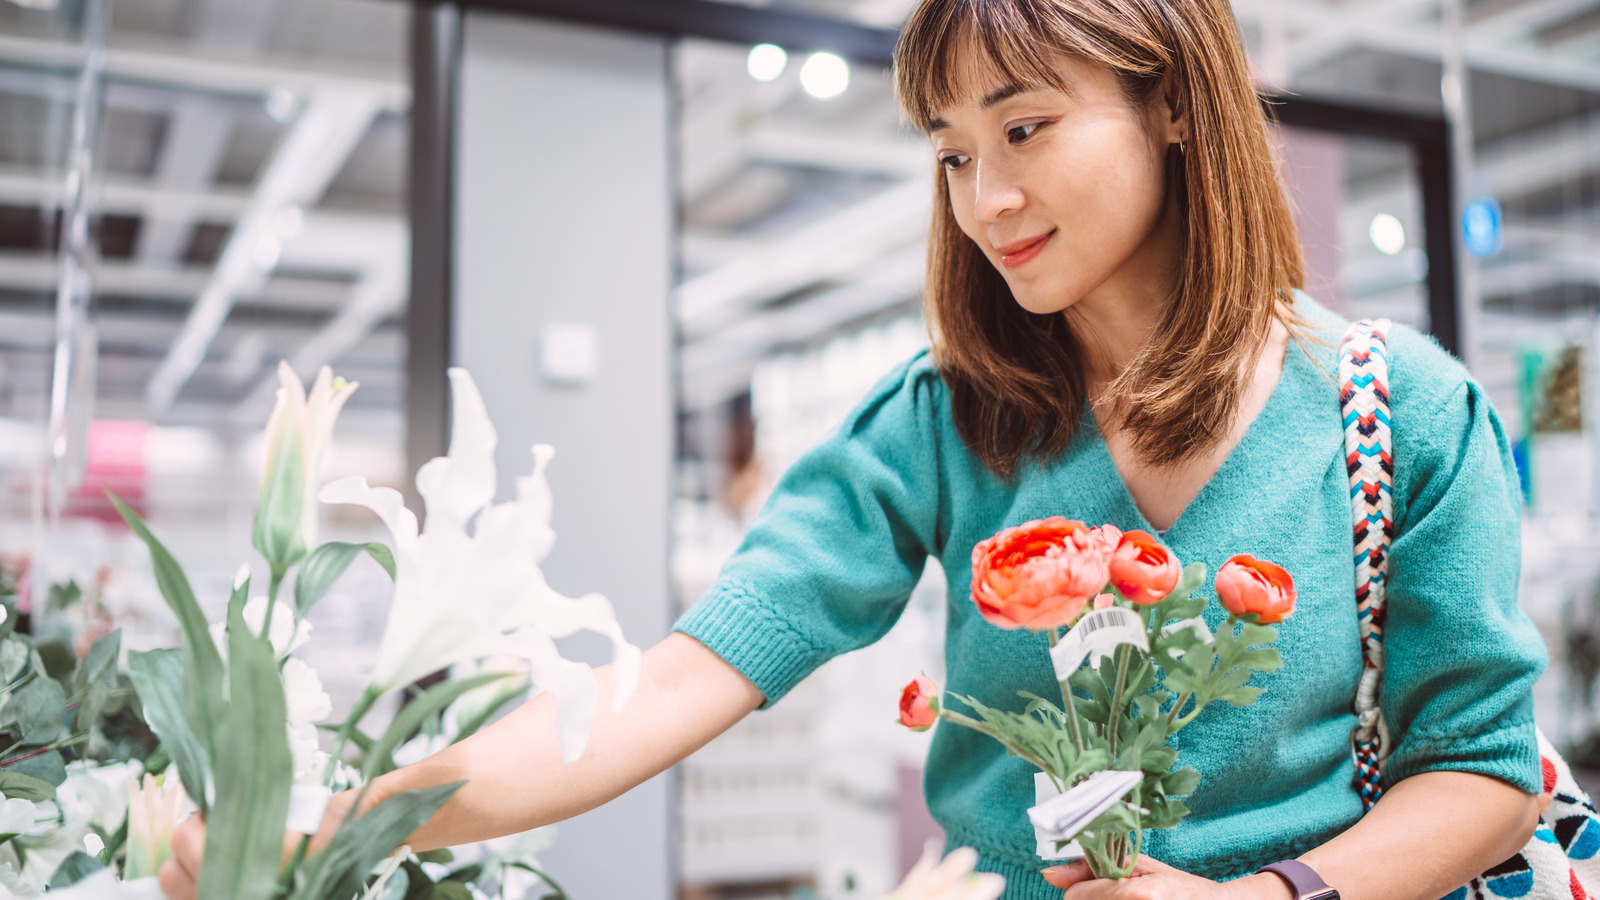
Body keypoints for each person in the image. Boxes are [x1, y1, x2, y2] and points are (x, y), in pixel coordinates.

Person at [160, 0, 1547, 897]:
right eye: (949, 151)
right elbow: (663, 687)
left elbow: (1485, 770)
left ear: (1176, 101)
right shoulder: (947, 421)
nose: (985, 196)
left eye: (1024, 126)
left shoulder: (1401, 414)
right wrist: (347, 819)